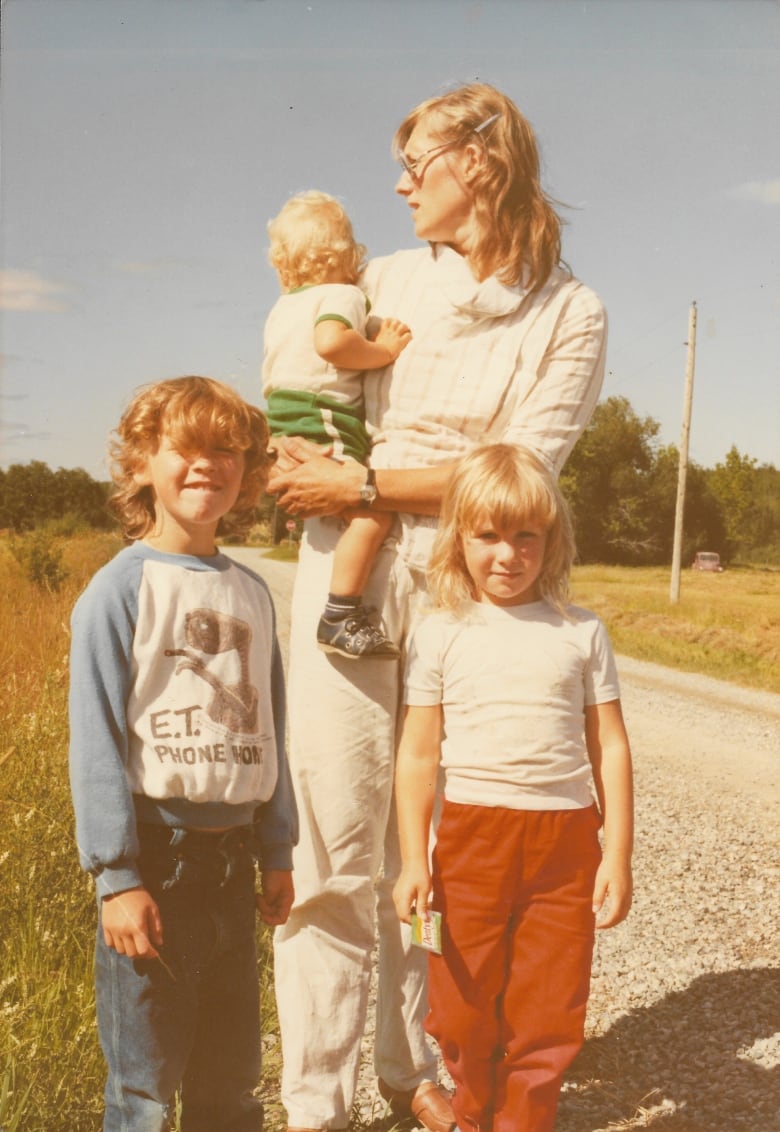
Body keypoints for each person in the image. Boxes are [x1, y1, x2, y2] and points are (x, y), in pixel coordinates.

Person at [269, 82, 608, 1132]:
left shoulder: (570, 311)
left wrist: (362, 485)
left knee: (431, 856)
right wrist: (301, 462)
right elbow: (310, 387)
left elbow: (517, 477)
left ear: (484, 162)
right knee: (334, 849)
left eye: (419, 158)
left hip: (475, 599)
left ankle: (415, 1066)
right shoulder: (381, 276)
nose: (402, 179)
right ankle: (317, 1103)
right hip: (349, 576)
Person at [68, 375, 298, 1132]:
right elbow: (96, 739)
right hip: (156, 864)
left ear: (250, 470)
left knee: (229, 1079)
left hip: (233, 864)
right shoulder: (120, 589)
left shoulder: (253, 593)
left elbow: (270, 728)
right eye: (185, 449)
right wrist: (118, 876)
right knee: (143, 1086)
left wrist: (277, 847)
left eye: (227, 450)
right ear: (141, 464)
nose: (208, 466)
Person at [392, 443, 634, 1132]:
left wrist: (616, 854)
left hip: (564, 846)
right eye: (488, 535)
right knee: (463, 1006)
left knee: (548, 1008)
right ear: (459, 539)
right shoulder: (440, 633)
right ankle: (473, 1115)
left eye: (526, 535)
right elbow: (417, 755)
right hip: (471, 843)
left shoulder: (581, 632)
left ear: (550, 539)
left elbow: (610, 746)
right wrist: (415, 859)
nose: (507, 554)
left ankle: (525, 1122)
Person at [264, 189, 412, 659]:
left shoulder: (282, 307)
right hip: (321, 413)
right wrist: (383, 352)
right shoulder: (343, 294)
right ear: (345, 254)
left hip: (285, 416)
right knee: (372, 514)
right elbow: (331, 343)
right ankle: (341, 612)